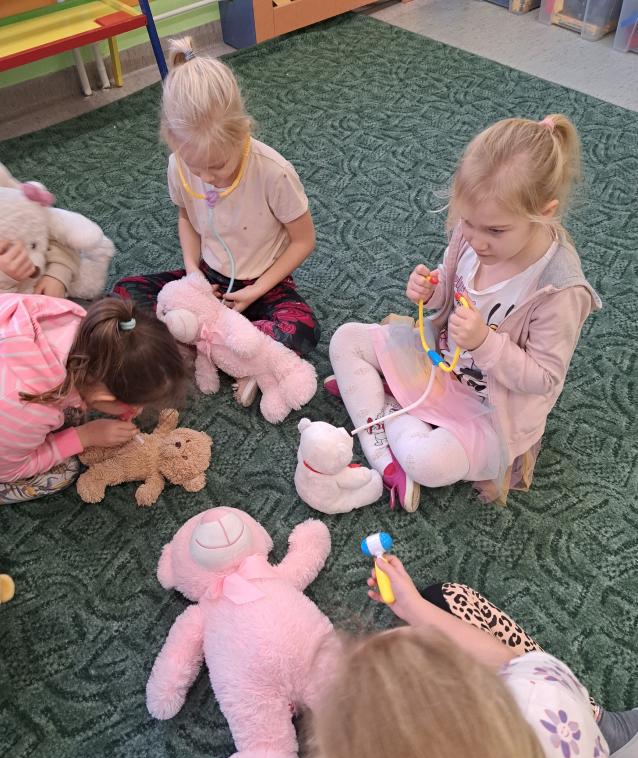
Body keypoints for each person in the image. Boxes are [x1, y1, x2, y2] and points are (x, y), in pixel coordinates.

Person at [327, 115, 600, 511]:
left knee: (428, 462)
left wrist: (485, 343)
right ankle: (388, 454)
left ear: (545, 212)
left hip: (491, 411)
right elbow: (451, 291)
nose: (477, 240)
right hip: (439, 364)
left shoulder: (560, 289)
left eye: (495, 231)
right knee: (346, 339)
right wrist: (432, 290)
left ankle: (383, 412)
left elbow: (544, 379)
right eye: (467, 223)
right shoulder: (473, 230)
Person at [310, 553, 635, 758]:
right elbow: (508, 661)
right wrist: (416, 610)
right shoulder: (546, 701)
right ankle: (612, 733)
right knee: (445, 598)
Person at [113, 37, 319, 407]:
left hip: (263, 285)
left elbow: (303, 240)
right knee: (124, 295)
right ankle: (240, 356)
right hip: (207, 282)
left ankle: (199, 343)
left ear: (242, 131)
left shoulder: (273, 172)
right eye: (198, 168)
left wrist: (257, 290)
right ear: (172, 140)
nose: (209, 178)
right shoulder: (178, 164)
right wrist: (193, 272)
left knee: (304, 328)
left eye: (219, 165)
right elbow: (185, 217)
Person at [0, 293, 187, 504]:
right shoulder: (27, 410)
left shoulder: (80, 318)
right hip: (8, 441)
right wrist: (84, 437)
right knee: (65, 471)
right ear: (104, 397)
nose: (138, 411)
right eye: (135, 405)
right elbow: (10, 469)